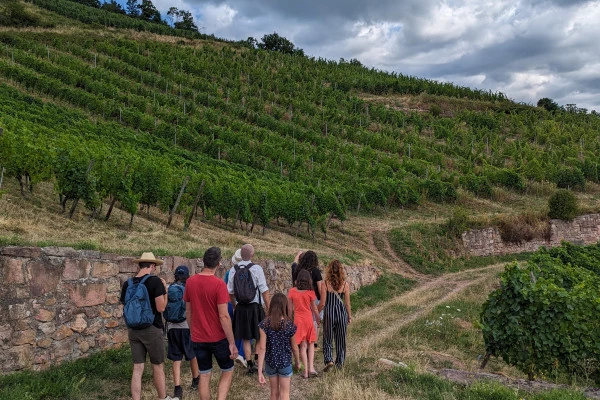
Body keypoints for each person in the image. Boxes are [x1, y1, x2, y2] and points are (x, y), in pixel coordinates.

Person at [183, 247, 238, 400]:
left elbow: (188, 312)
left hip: (198, 338)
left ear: (203, 261)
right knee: (227, 370)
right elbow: (224, 316)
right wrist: (232, 342)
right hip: (218, 338)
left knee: (204, 374)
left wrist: (193, 331)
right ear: (219, 263)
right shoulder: (219, 284)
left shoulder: (190, 282)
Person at [120, 252, 174, 400]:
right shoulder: (155, 282)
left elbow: (125, 306)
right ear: (152, 266)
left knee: (138, 367)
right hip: (151, 329)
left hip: (133, 329)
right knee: (157, 365)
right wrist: (165, 291)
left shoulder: (128, 283)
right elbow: (161, 308)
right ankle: (163, 398)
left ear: (139, 265)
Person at [227, 243, 271, 374]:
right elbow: (264, 289)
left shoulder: (233, 270)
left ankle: (250, 364)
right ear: (252, 255)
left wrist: (235, 305)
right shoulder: (256, 268)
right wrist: (268, 307)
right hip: (255, 306)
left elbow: (230, 291)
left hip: (241, 307)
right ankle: (258, 362)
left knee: (246, 337)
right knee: (259, 335)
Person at [165, 265, 200, 400]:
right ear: (187, 276)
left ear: (175, 276)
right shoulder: (189, 289)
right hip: (187, 326)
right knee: (192, 354)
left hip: (172, 328)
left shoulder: (169, 289)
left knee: (176, 358)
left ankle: (177, 387)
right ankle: (196, 379)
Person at [257, 293, 300, 400]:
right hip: (285, 363)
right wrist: (298, 362)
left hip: (270, 363)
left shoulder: (264, 324)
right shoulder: (289, 325)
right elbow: (295, 348)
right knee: (285, 394)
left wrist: (259, 371)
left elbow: (262, 349)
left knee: (274, 393)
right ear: (285, 307)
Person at [318, 260, 352, 371]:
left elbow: (322, 303)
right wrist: (349, 316)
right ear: (341, 270)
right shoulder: (345, 285)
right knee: (341, 339)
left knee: (328, 338)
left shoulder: (325, 283)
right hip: (341, 312)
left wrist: (316, 314)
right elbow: (347, 303)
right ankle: (340, 362)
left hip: (329, 312)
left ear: (329, 270)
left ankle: (329, 360)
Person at [287, 269, 320, 378]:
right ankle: (311, 368)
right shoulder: (310, 292)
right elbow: (314, 308)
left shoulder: (292, 291)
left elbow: (290, 310)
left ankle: (305, 371)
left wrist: (289, 321)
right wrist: (318, 318)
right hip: (308, 319)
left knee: (302, 344)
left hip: (298, 320)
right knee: (311, 344)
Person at [291, 250, 323, 347]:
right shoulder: (315, 271)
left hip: (299, 298)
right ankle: (313, 343)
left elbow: (294, 263)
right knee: (315, 321)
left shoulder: (297, 270)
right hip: (313, 297)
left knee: (301, 320)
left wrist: (298, 254)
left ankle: (302, 340)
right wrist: (322, 299)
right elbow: (320, 287)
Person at [223, 249, 246, 367]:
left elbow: (224, 288)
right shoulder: (249, 271)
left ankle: (230, 351)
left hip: (229, 303)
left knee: (230, 329)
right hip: (242, 304)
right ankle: (241, 353)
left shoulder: (230, 272)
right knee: (242, 330)